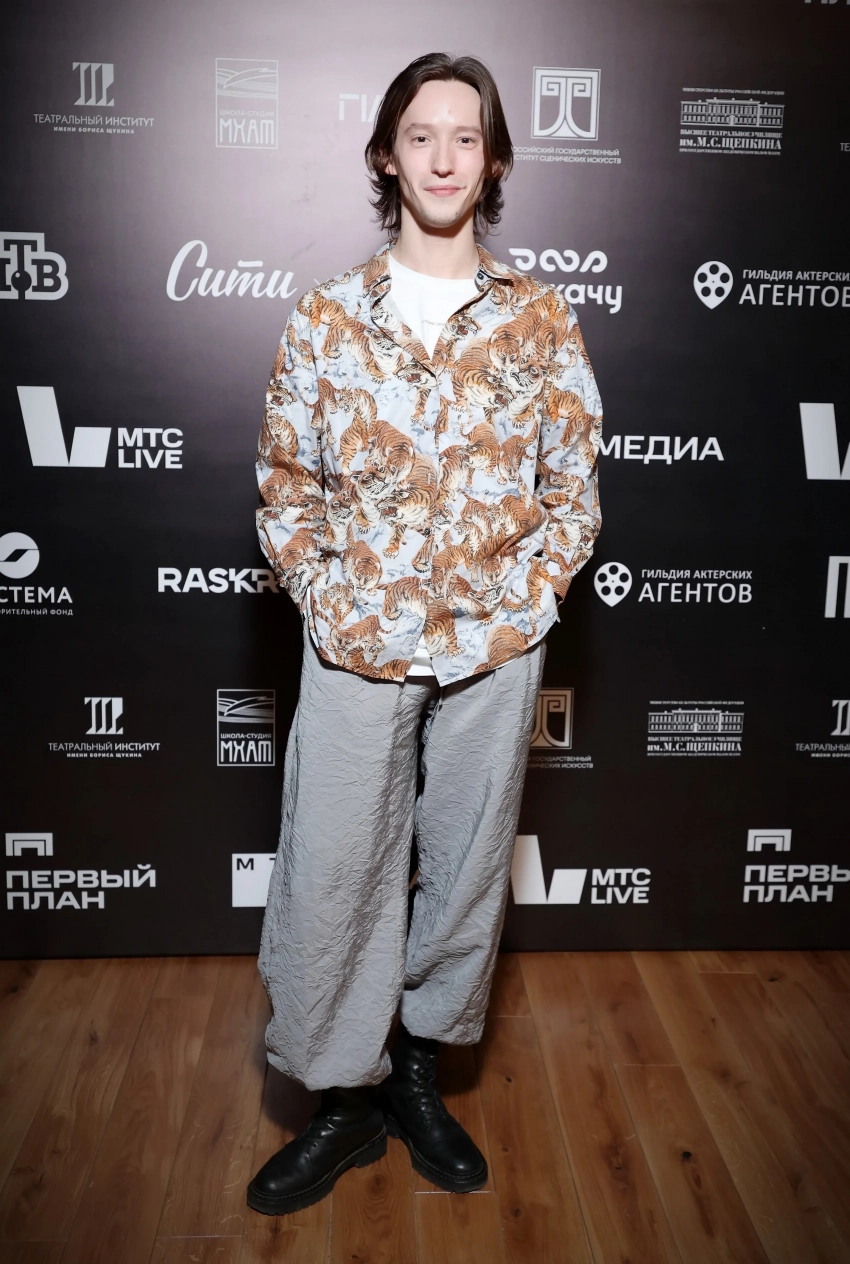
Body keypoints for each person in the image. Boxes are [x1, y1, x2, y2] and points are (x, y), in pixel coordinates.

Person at [246, 50, 602, 1216]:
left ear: (492, 163)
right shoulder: (326, 318)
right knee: (334, 870)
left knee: (462, 868)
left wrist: (528, 604)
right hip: (358, 642)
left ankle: (415, 1073)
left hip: (492, 649)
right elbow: (286, 486)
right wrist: (329, 598)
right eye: (420, 134)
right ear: (386, 156)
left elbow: (572, 491)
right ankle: (342, 1099)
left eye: (465, 136)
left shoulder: (540, 319)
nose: (443, 156)